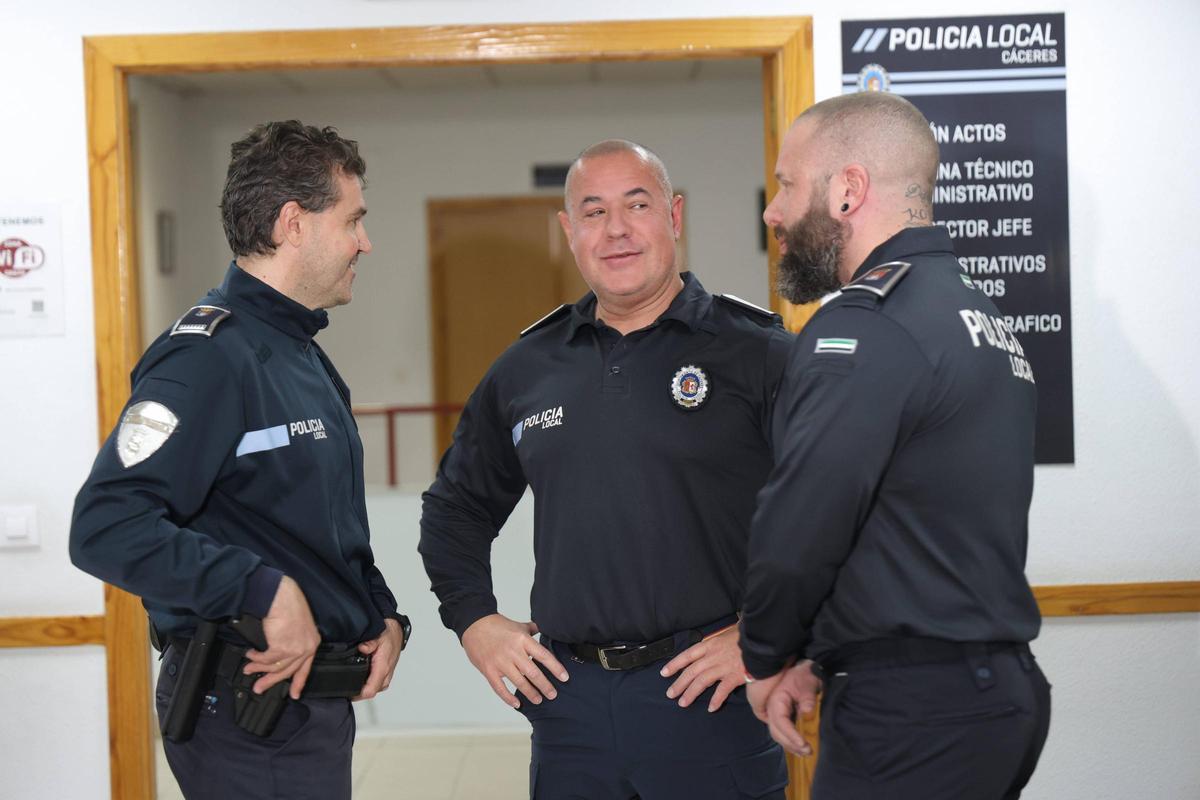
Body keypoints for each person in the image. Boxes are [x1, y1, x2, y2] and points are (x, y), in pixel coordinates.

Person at [419, 139, 792, 799]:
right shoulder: (527, 368)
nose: (616, 230)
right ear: (569, 232)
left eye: (637, 205)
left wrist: (770, 634)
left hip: (709, 699)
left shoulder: (758, 355)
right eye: (593, 212)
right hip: (570, 708)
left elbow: (840, 508)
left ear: (673, 216)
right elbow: (456, 508)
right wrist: (474, 619)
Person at [70, 120, 410, 800]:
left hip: (310, 707)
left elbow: (314, 526)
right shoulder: (206, 357)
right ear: (293, 223)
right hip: (248, 719)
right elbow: (106, 525)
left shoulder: (301, 354)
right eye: (353, 221)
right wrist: (263, 589)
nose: (364, 243)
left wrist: (382, 613)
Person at [739, 92, 1051, 799]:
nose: (773, 211)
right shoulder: (973, 311)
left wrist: (763, 654)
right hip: (989, 692)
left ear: (848, 191)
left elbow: (803, 524)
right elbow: (909, 531)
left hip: (917, 713)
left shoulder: (867, 326)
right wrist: (814, 659)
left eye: (787, 184)